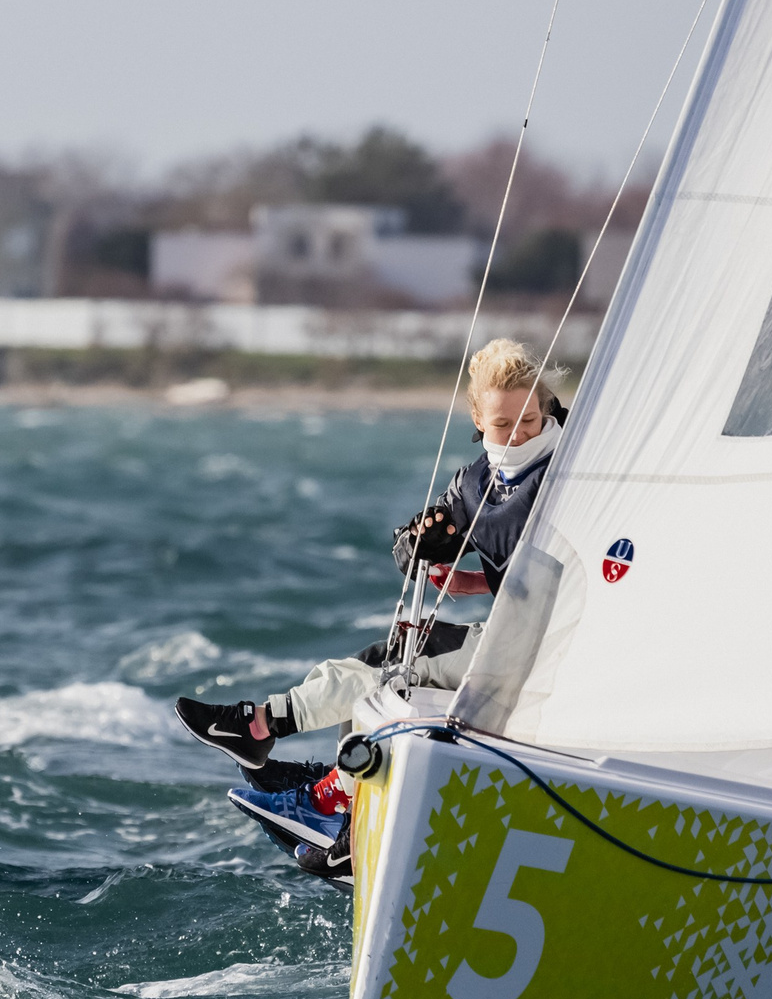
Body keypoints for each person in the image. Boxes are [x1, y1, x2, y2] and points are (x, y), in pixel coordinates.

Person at [172, 338, 566, 877]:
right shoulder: (476, 482)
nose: (519, 434)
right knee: (386, 653)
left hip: (542, 648)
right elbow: (414, 545)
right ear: (478, 419)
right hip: (503, 632)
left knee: (398, 677)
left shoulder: (569, 469)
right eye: (503, 424)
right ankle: (306, 766)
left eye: (530, 420)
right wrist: (425, 547)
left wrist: (485, 579)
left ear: (546, 407)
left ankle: (309, 777)